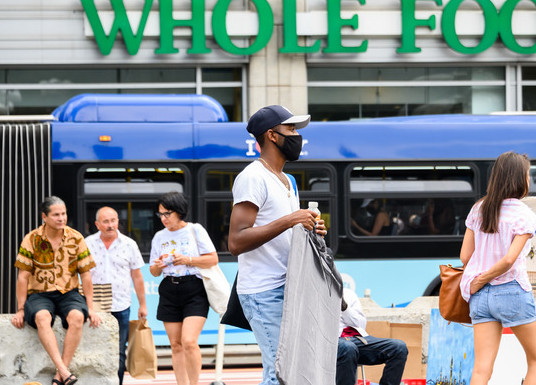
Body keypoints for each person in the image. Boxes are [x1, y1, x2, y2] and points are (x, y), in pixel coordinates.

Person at [228, 105, 327, 385]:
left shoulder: (288, 181)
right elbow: (236, 241)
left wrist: (309, 228)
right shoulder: (252, 177)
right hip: (263, 291)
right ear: (272, 135)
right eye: (292, 130)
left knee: (291, 372)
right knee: (280, 373)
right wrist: (290, 219)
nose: (297, 136)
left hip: (290, 288)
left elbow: (285, 231)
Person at [460, 152, 536, 385]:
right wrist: (485, 277)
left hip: (479, 297)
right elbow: (509, 260)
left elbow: (464, 256)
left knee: (481, 369)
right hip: (512, 291)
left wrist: (479, 280)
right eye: (528, 175)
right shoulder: (524, 215)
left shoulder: (478, 209)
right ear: (520, 179)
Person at [11, 196, 102, 385]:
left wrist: (91, 307)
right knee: (42, 317)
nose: (61, 218)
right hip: (39, 294)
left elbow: (85, 275)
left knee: (78, 317)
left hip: (69, 292)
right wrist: (20, 309)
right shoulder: (32, 239)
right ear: (44, 216)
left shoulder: (76, 237)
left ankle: (60, 374)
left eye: (64, 214)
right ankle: (63, 371)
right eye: (56, 215)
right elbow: (23, 276)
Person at [149, 191, 219, 385]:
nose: (163, 218)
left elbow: (213, 259)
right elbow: (153, 272)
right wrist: (158, 266)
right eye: (160, 214)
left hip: (194, 287)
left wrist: (187, 259)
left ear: (179, 211)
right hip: (169, 288)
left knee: (188, 341)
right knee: (175, 345)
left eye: (167, 214)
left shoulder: (195, 230)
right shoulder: (159, 237)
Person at [84, 206, 148, 385]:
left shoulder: (129, 244)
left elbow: (137, 276)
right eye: (105, 221)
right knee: (94, 350)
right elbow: (80, 274)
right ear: (97, 224)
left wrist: (142, 304)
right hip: (95, 307)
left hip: (121, 306)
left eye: (113, 221)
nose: (110, 225)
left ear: (118, 222)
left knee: (119, 351)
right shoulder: (87, 243)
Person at [336, 288, 408, 385]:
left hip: (357, 339)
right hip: (333, 341)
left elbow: (361, 324)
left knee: (399, 347)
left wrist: (345, 308)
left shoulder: (348, 293)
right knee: (348, 348)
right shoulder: (317, 292)